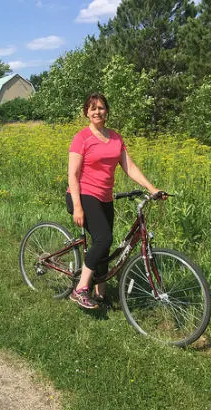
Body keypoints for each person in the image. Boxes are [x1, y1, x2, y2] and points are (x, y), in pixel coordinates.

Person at [67, 93, 161, 309]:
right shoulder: (81, 138)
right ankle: (80, 289)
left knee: (104, 247)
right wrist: (78, 207)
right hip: (82, 194)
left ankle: (100, 292)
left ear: (106, 111)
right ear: (86, 113)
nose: (97, 112)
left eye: (100, 108)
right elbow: (72, 175)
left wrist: (152, 188)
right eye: (92, 109)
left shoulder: (116, 138)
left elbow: (130, 167)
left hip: (105, 197)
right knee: (104, 239)